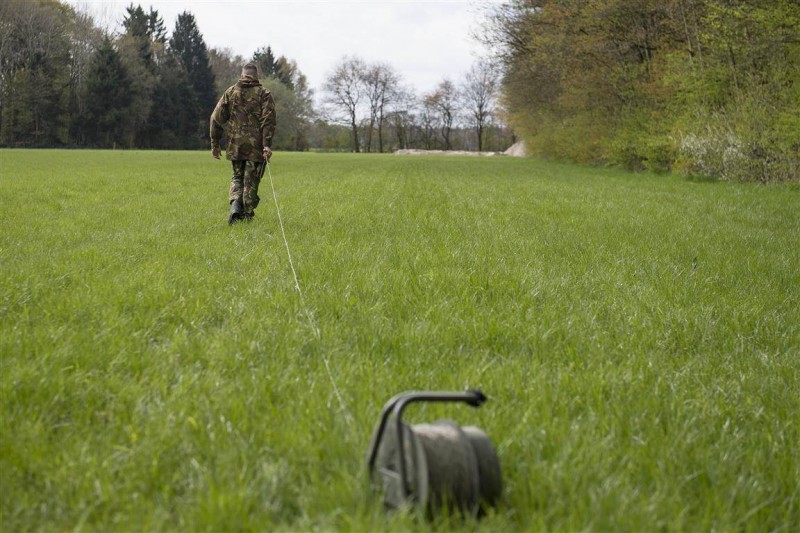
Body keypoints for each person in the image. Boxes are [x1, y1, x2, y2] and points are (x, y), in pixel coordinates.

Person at [210, 63, 277, 224]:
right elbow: (268, 121)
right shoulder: (264, 94)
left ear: (242, 75)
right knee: (251, 181)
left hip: (235, 145)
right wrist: (267, 145)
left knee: (237, 177)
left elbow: (215, 118)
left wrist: (215, 143)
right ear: (257, 76)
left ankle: (235, 207)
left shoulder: (231, 92)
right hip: (256, 147)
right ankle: (246, 215)